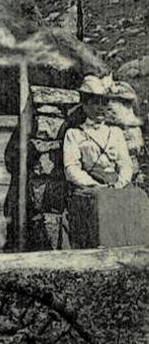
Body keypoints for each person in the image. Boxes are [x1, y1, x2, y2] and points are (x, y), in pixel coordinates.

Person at [62, 75, 149, 249]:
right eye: (95, 103)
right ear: (85, 105)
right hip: (90, 184)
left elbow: (125, 164)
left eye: (103, 103)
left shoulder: (115, 132)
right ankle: (106, 251)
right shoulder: (75, 134)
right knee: (103, 200)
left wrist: (121, 182)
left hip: (114, 182)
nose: (100, 108)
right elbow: (71, 168)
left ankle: (140, 251)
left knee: (139, 196)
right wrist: (93, 184)